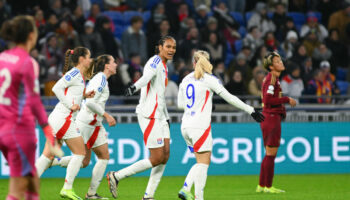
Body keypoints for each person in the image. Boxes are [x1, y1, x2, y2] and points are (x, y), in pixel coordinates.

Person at [176, 50, 264, 200]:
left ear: (193, 63)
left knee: (202, 162)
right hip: (200, 126)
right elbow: (229, 97)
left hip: (185, 126)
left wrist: (204, 105)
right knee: (203, 163)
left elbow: (180, 105)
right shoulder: (209, 79)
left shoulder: (185, 79)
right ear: (208, 62)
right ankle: (185, 187)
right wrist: (250, 110)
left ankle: (198, 197)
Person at [0, 15, 63, 200]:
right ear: (30, 35)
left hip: (3, 130)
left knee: (32, 184)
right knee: (18, 191)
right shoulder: (27, 62)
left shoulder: (2, 58)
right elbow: (34, 101)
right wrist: (47, 130)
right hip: (20, 131)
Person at [107, 36, 176, 200]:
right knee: (157, 157)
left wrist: (166, 116)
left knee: (165, 156)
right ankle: (117, 176)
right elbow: (146, 78)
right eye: (168, 46)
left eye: (173, 47)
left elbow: (160, 94)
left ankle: (148, 196)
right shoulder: (154, 62)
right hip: (149, 114)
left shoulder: (165, 66)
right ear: (159, 47)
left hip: (160, 115)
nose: (171, 50)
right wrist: (134, 87)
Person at [52, 54, 117, 199]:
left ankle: (91, 194)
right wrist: (107, 115)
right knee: (82, 159)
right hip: (86, 122)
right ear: (107, 66)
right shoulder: (100, 79)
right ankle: (53, 162)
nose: (116, 64)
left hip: (95, 124)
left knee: (101, 157)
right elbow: (90, 103)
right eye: (114, 62)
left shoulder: (102, 80)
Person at [35, 47, 95, 200]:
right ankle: (67, 188)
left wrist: (84, 94)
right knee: (80, 153)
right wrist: (70, 105)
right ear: (81, 59)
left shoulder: (79, 75)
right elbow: (56, 88)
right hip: (64, 118)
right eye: (88, 57)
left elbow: (71, 91)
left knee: (47, 156)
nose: (90, 60)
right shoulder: (75, 73)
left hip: (58, 118)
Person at [256, 52, 296, 193]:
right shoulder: (272, 78)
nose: (281, 63)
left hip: (269, 118)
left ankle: (261, 185)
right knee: (271, 155)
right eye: (278, 61)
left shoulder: (274, 79)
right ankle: (268, 186)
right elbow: (268, 101)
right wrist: (286, 100)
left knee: (268, 153)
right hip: (271, 118)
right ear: (271, 66)